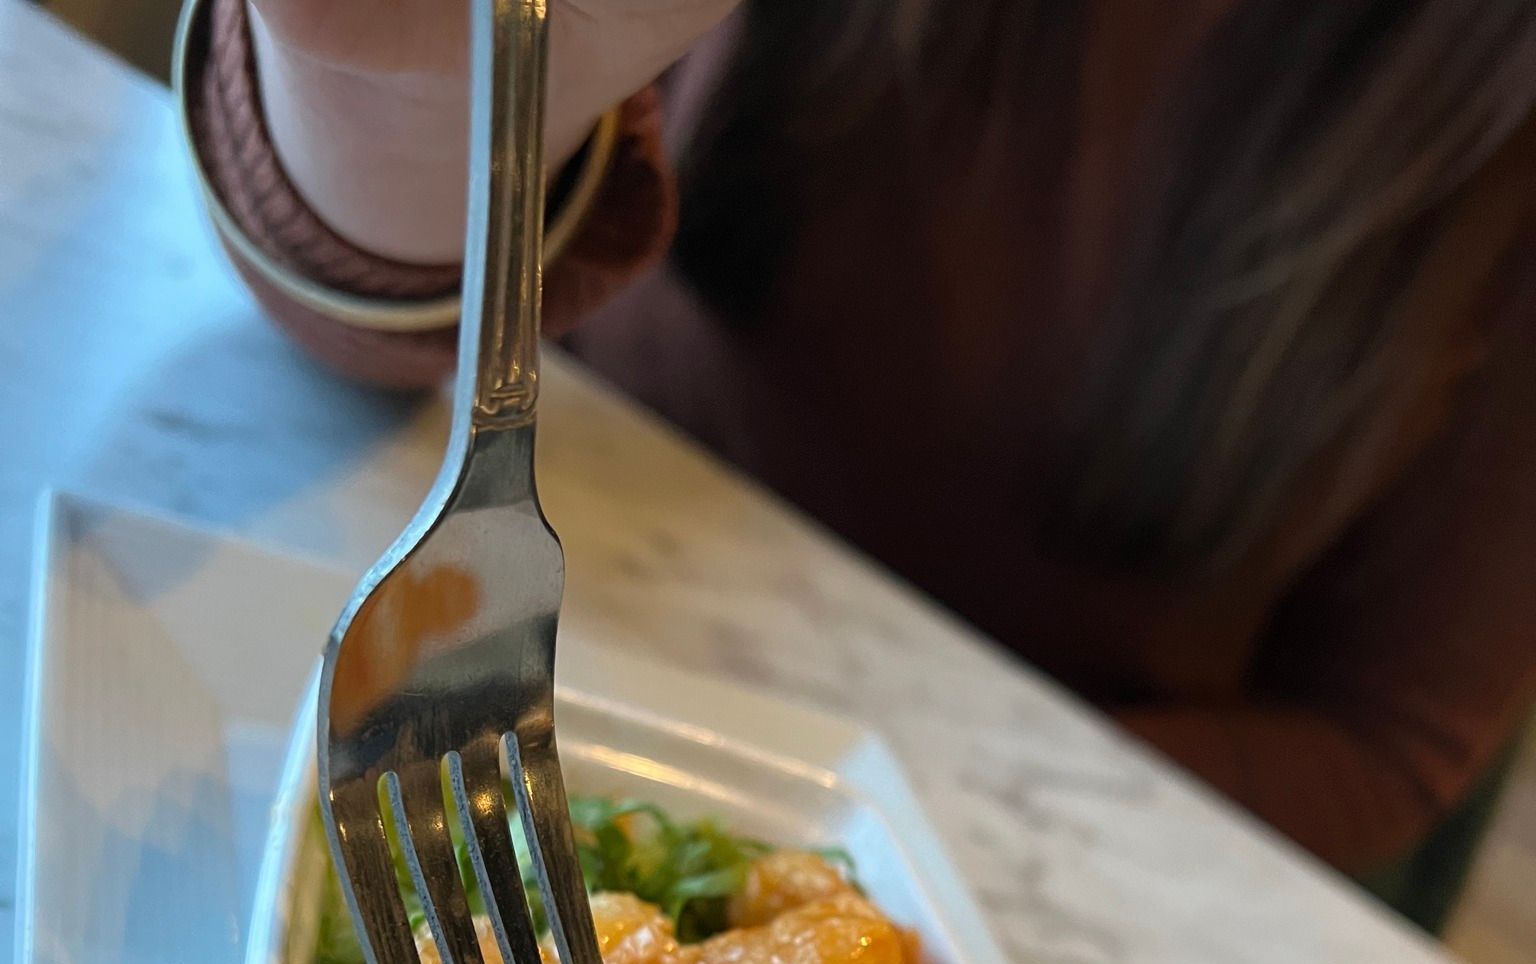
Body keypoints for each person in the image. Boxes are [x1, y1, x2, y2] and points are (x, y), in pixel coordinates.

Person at [182, 0, 1536, 907]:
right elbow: (347, 297)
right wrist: (394, 77)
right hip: (523, 571)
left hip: (999, 841)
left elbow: (1389, 739)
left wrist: (869, 797)